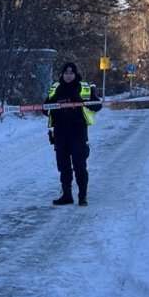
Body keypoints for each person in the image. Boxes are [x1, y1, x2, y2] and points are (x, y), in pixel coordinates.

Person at [44, 62, 101, 206]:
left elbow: (97, 105)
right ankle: (67, 195)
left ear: (75, 74)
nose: (68, 76)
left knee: (79, 165)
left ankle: (82, 196)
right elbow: (44, 108)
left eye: (71, 73)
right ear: (62, 74)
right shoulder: (56, 88)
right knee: (63, 166)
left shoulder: (83, 87)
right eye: (66, 73)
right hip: (60, 133)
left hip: (78, 132)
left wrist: (81, 101)